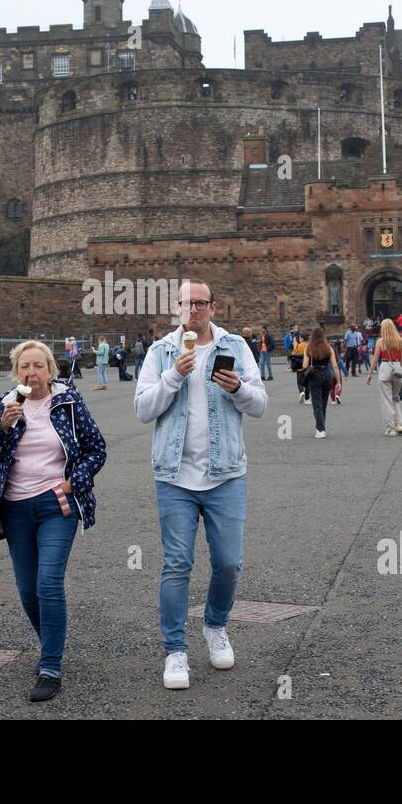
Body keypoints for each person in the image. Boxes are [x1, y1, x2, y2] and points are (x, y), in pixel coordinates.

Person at [134, 279, 267, 691]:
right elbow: (142, 409)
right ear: (177, 308)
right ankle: (175, 650)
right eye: (187, 303)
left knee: (229, 562)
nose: (194, 309)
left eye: (201, 303)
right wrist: (173, 376)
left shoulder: (236, 348)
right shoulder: (161, 352)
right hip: (174, 475)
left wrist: (239, 388)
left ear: (213, 306)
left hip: (225, 472)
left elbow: (261, 406)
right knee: (177, 564)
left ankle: (215, 624)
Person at [0, 340, 107, 702]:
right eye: (24, 367)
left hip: (57, 505)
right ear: (16, 371)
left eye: (38, 366)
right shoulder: (7, 405)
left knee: (49, 583)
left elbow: (96, 448)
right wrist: (3, 429)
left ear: (51, 369)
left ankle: (50, 665)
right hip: (16, 508)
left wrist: (71, 483)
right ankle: (52, 642)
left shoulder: (68, 403)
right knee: (27, 590)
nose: (31, 373)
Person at [366, 319, 402, 436]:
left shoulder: (380, 341)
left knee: (386, 400)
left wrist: (370, 374)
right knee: (395, 398)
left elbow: (375, 359)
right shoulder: (400, 340)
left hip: (385, 367)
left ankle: (391, 427)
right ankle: (399, 424)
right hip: (397, 367)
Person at [300, 327, 340, 438]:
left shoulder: (309, 348)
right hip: (326, 374)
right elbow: (335, 366)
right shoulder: (328, 347)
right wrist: (338, 381)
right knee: (323, 403)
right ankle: (321, 426)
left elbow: (304, 365)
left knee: (317, 404)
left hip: (315, 375)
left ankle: (320, 429)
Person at [290, 332, 309, 403]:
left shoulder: (298, 346)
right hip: (307, 366)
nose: (299, 339)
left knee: (299, 382)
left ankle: (301, 392)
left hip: (299, 366)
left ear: (302, 338)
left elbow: (293, 354)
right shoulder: (309, 346)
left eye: (300, 338)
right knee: (307, 382)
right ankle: (307, 397)